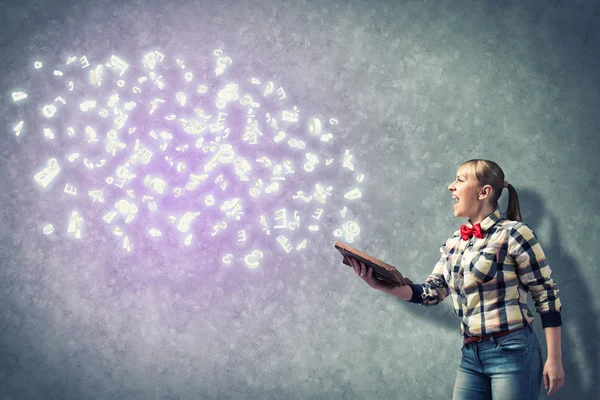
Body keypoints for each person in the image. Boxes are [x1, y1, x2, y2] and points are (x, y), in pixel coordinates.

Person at [348, 159, 564, 399]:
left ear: (484, 192)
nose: (451, 187)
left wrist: (554, 359)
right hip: (471, 354)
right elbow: (432, 292)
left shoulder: (515, 233)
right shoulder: (454, 242)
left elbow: (546, 294)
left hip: (512, 351)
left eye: (460, 180)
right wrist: (382, 284)